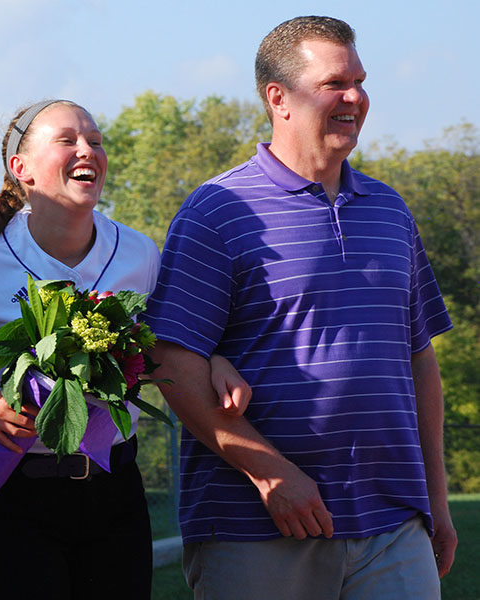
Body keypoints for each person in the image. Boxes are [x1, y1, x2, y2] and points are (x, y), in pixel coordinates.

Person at [143, 15, 457, 599]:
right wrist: (271, 473)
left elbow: (418, 360)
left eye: (360, 82)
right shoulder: (217, 211)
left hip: (392, 525)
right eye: (335, 83)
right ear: (278, 98)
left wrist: (434, 501)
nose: (355, 98)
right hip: (253, 530)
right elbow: (172, 362)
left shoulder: (390, 211)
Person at [0, 99, 250, 600]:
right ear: (21, 169)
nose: (88, 150)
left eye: (96, 141)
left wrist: (213, 360)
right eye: (67, 140)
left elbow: (166, 345)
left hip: (115, 489)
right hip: (13, 492)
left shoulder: (138, 254)